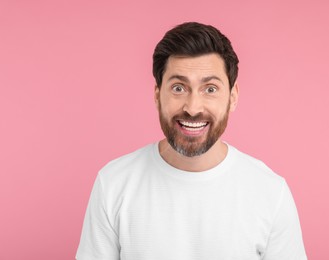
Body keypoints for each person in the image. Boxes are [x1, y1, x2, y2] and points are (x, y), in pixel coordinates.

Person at [76, 22, 307, 260]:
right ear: (157, 96)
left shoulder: (270, 192)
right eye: (178, 88)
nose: (193, 108)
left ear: (233, 97)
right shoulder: (113, 184)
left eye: (210, 89)